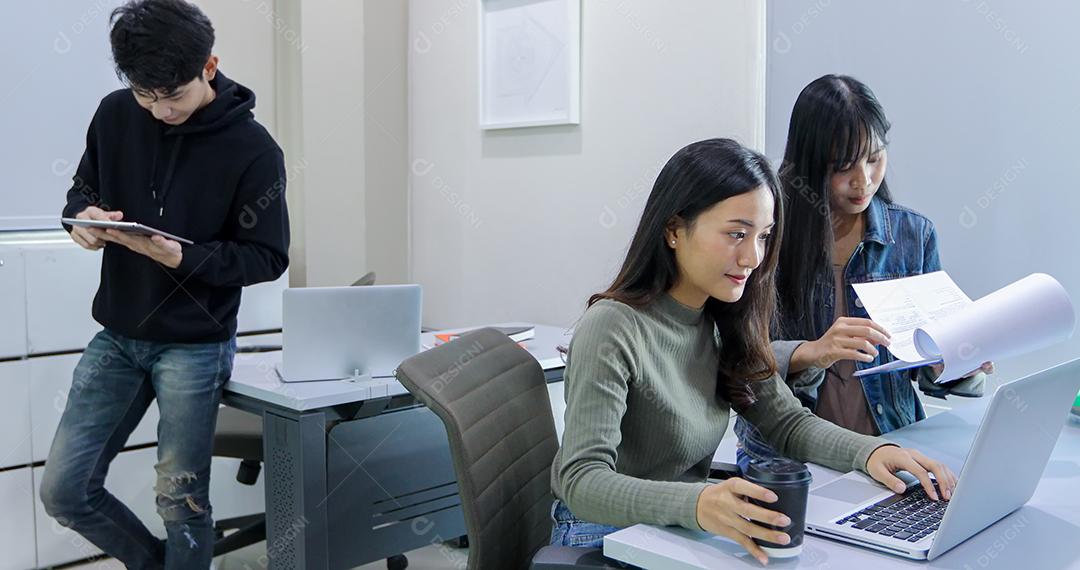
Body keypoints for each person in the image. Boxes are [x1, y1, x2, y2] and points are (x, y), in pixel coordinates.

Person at [550, 138, 956, 566]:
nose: (753, 257)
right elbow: (582, 481)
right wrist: (698, 503)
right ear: (673, 230)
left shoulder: (724, 317)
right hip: (600, 533)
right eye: (736, 234)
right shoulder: (613, 326)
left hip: (677, 525)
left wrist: (870, 453)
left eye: (763, 236)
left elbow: (787, 423)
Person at [39, 1, 289, 567]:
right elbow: (81, 192)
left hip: (195, 345)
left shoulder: (253, 150)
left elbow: (267, 257)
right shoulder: (115, 114)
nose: (158, 111)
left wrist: (184, 258)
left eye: (171, 96)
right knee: (64, 490)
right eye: (145, 96)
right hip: (119, 334)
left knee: (180, 502)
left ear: (210, 65)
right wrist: (83, 221)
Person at [735, 75, 991, 472]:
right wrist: (812, 351)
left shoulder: (913, 235)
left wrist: (959, 363)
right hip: (789, 460)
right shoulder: (768, 237)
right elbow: (736, 360)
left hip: (894, 448)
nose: (864, 180)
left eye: (874, 158)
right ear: (810, 162)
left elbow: (929, 371)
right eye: (843, 166)